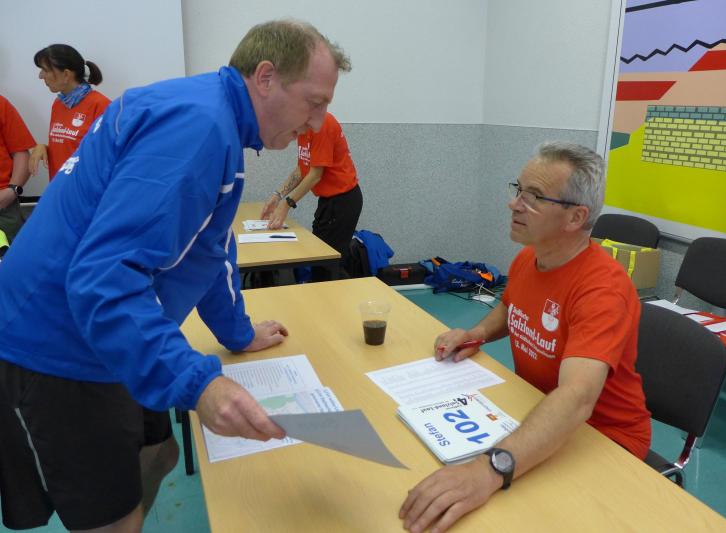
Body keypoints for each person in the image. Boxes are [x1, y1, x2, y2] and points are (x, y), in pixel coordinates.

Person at [0, 20, 349, 532]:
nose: (318, 123)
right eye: (314, 103)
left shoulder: (215, 117)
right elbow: (103, 279)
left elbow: (209, 245)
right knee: (111, 518)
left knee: (160, 452)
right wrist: (198, 383)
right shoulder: (199, 128)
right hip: (60, 340)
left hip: (108, 328)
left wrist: (238, 333)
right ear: (266, 77)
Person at [399, 142, 651, 533]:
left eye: (533, 197)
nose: (514, 204)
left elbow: (576, 398)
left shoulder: (603, 289)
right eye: (519, 190)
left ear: (575, 217)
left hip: (603, 438)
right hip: (538, 409)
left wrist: (488, 470)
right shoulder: (529, 257)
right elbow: (511, 307)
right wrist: (477, 333)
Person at [260, 111, 362, 280]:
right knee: (319, 261)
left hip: (343, 200)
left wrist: (286, 204)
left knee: (327, 265)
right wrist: (277, 195)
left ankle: (343, 295)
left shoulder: (322, 124)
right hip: (327, 201)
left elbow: (315, 175)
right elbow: (302, 169)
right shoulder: (303, 128)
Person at [28, 44, 111, 181]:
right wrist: (43, 148)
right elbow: (69, 148)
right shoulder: (59, 103)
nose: (40, 76)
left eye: (45, 70)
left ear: (66, 74)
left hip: (85, 190)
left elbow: (106, 156)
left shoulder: (101, 105)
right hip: (59, 188)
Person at [0, 95, 35, 243]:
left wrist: (12, 191)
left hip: (3, 208)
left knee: (9, 256)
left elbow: (21, 152)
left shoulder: (1, 104)